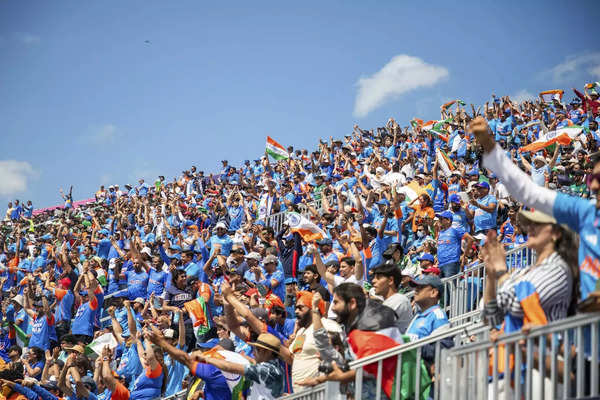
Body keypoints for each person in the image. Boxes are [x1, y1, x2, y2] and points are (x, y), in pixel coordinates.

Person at [470, 115, 600, 305]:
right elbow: (529, 192)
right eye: (591, 179)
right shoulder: (585, 211)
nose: (594, 186)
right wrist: (490, 147)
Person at [370, 262, 413, 333]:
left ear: (390, 280)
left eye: (378, 278)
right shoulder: (389, 301)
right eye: (374, 277)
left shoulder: (398, 300)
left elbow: (375, 327)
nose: (373, 281)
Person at [405, 275, 450, 341]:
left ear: (433, 293)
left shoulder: (438, 316)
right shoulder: (418, 315)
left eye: (421, 287)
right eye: (416, 287)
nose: (416, 290)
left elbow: (441, 345)